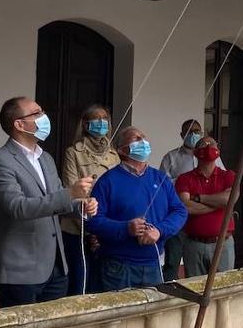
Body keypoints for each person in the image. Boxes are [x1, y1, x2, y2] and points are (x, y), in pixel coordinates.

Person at [0, 97, 97, 308]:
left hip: (55, 265)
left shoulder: (46, 158)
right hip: (20, 270)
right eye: (36, 113)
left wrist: (80, 206)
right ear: (19, 124)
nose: (44, 117)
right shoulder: (0, 162)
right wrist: (70, 194)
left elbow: (56, 200)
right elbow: (18, 207)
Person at [88, 127, 188, 291]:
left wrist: (159, 230)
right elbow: (93, 221)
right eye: (136, 139)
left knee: (154, 308)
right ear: (121, 150)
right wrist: (126, 228)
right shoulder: (107, 181)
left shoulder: (160, 178)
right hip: (117, 267)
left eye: (144, 137)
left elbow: (180, 211)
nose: (143, 142)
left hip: (153, 264)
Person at [60, 104, 119, 295]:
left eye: (105, 119)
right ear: (85, 124)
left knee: (102, 285)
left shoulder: (113, 154)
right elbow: (73, 191)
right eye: (96, 118)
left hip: (105, 231)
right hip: (78, 229)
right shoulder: (73, 152)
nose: (102, 123)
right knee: (80, 284)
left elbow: (116, 193)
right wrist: (92, 229)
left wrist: (103, 229)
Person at [158, 119, 224, 280]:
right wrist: (184, 183)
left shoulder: (213, 157)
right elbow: (162, 186)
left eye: (197, 131)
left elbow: (223, 185)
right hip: (178, 217)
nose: (194, 134)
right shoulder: (171, 157)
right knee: (172, 261)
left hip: (205, 221)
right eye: (189, 131)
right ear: (182, 135)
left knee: (213, 271)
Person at [175, 136, 238, 277]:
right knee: (195, 286)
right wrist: (219, 205)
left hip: (223, 243)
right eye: (203, 144)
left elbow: (229, 199)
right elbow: (186, 206)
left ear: (218, 150)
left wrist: (198, 198)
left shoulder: (228, 176)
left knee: (224, 286)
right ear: (195, 152)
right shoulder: (184, 179)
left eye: (212, 144)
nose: (208, 147)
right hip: (194, 244)